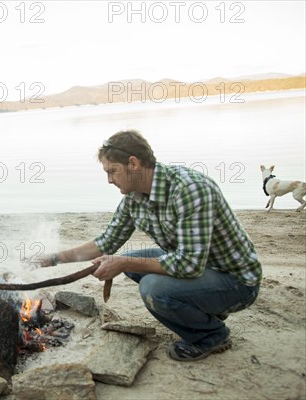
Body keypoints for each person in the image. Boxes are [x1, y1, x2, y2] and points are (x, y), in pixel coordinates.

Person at [40, 130, 261, 361]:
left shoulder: (189, 189)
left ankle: (212, 336)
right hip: (202, 267)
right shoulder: (133, 198)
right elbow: (106, 242)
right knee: (133, 262)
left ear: (133, 163)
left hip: (237, 281)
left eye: (112, 171)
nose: (109, 180)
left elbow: (189, 265)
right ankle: (203, 309)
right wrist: (53, 258)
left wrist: (123, 262)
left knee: (152, 288)